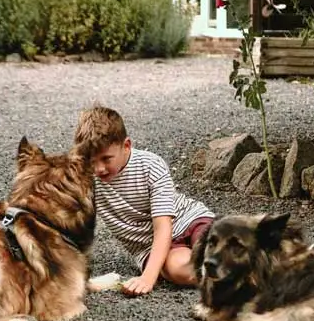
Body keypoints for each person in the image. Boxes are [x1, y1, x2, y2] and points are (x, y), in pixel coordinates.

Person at [74, 105, 215, 297]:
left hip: (188, 221)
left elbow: (163, 226)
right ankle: (233, 278)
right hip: (149, 247)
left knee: (213, 249)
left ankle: (251, 270)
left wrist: (148, 278)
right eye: (91, 161)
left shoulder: (150, 166)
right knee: (180, 270)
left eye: (106, 159)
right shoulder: (87, 181)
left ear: (126, 146)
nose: (99, 169)